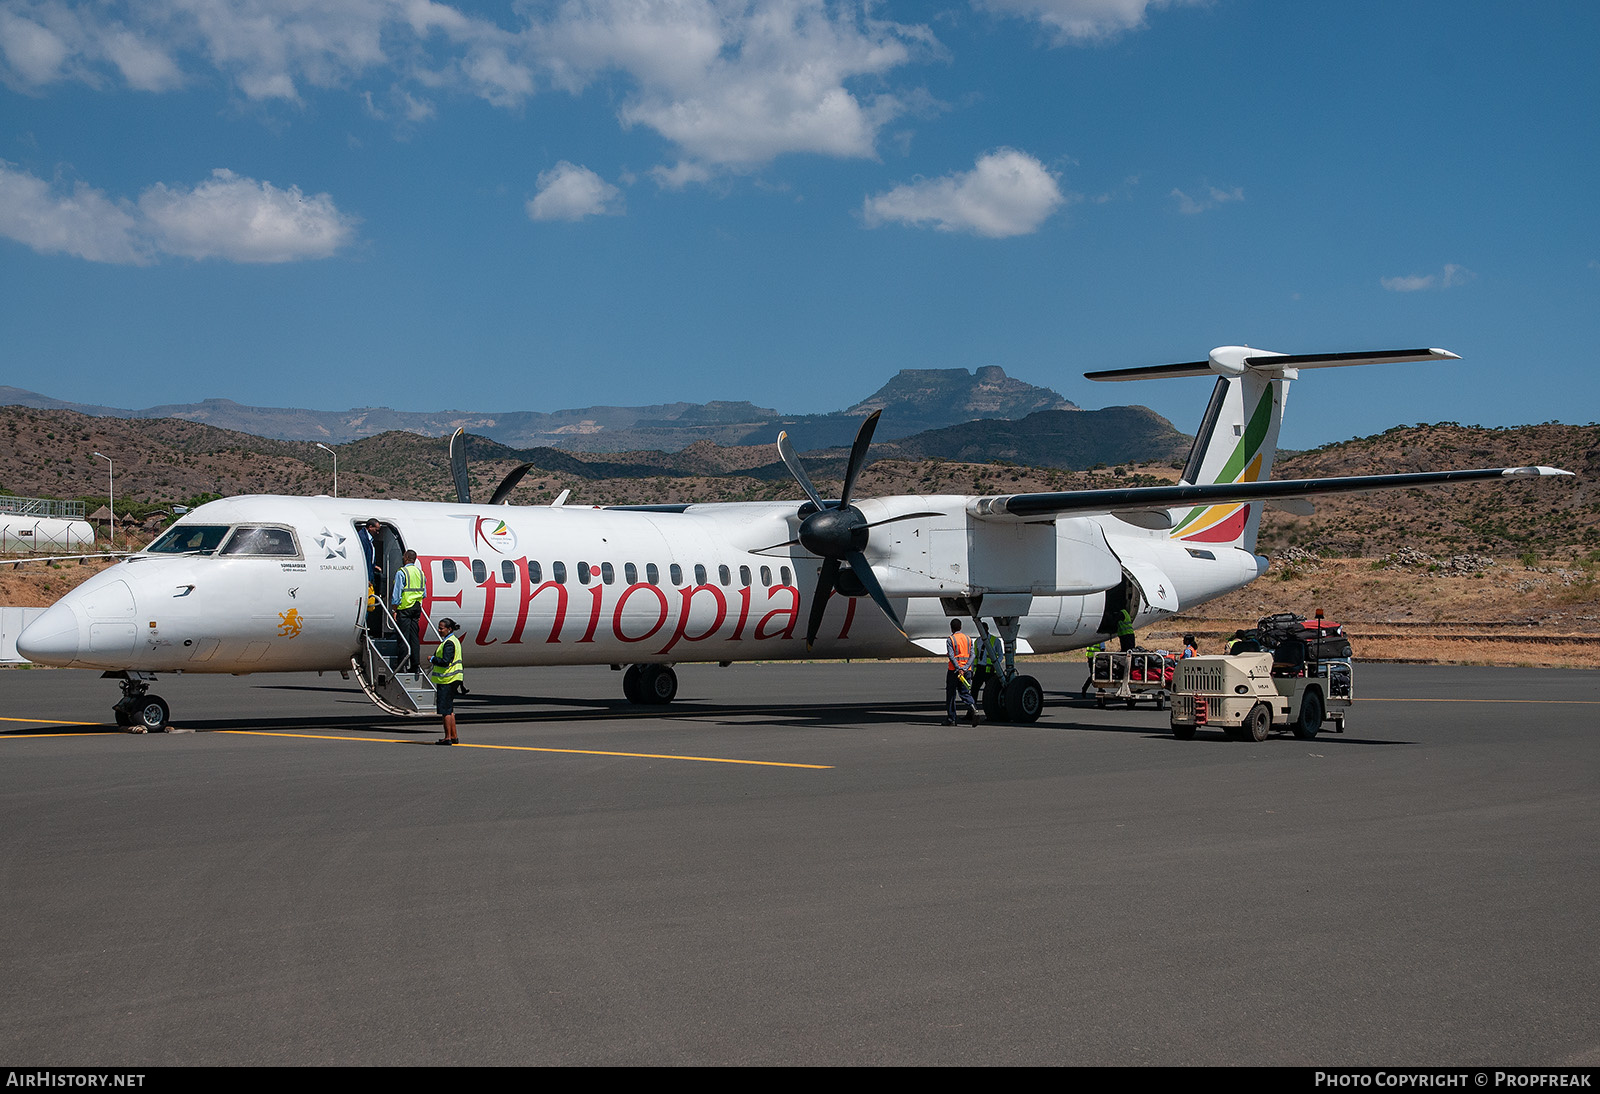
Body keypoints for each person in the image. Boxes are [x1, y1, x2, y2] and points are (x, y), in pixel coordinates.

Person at [430, 617, 464, 745]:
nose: (439, 630)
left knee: (445, 710)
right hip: (452, 678)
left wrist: (432, 659)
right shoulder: (453, 640)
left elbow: (445, 661)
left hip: (447, 679)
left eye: (441, 628)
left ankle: (448, 737)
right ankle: (453, 736)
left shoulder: (449, 642)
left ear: (449, 629)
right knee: (449, 709)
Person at [392, 549, 425, 673]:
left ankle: (402, 665)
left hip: (405, 608)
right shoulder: (420, 573)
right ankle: (415, 665)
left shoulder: (402, 572)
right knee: (414, 638)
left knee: (403, 638)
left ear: (406, 557)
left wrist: (394, 609)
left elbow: (397, 593)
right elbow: (424, 593)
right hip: (417, 608)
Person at [944, 619, 978, 726]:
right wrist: (965, 667)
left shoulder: (951, 639)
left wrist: (958, 668)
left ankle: (951, 719)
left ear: (951, 628)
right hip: (967, 670)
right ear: (961, 627)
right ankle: (973, 707)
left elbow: (951, 655)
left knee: (951, 694)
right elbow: (972, 655)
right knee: (964, 692)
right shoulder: (968, 639)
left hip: (954, 671)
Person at [357, 518, 383, 631]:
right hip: (366, 577)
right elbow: (362, 558)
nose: (378, 533)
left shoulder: (369, 539)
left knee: (370, 604)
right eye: (376, 530)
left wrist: (374, 566)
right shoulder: (363, 539)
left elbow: (369, 558)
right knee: (367, 605)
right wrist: (365, 576)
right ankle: (363, 629)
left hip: (370, 574)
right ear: (370, 527)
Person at [972, 620, 1004, 698]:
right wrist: (972, 669)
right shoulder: (977, 641)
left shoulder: (995, 640)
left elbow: (1000, 655)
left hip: (990, 669)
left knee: (990, 690)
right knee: (974, 689)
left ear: (987, 629)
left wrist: (996, 664)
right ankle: (972, 707)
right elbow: (975, 656)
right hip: (980, 668)